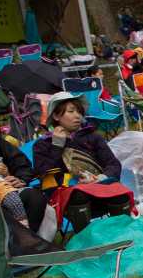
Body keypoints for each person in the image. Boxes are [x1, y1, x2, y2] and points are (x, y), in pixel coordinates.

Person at [32, 92, 134, 231]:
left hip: (99, 187)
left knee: (120, 193)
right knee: (78, 194)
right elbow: (45, 176)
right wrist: (57, 146)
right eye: (71, 111)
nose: (77, 116)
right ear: (56, 116)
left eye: (79, 112)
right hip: (66, 195)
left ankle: (124, 234)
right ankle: (85, 238)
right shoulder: (43, 145)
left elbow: (113, 164)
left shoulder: (92, 137)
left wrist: (99, 178)